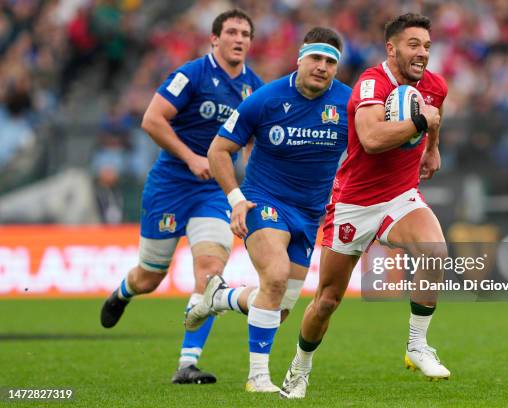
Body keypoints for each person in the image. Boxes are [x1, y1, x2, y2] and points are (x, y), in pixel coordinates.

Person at [280, 13, 449, 399]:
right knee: (326, 301)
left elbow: (434, 115)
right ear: (391, 49)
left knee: (435, 250)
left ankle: (417, 345)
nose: (422, 53)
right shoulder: (371, 82)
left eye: (426, 46)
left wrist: (433, 149)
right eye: (413, 45)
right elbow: (372, 139)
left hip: (401, 196)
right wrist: (423, 124)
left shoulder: (435, 86)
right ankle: (300, 367)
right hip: (354, 204)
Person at [99, 9, 264, 385]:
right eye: (232, 32)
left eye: (245, 34)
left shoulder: (254, 87)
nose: (239, 39)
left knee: (209, 275)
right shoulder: (192, 74)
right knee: (149, 278)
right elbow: (152, 119)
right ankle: (123, 293)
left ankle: (186, 364)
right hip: (171, 185)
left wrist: (248, 187)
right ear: (215, 39)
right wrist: (190, 157)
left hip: (213, 190)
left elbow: (254, 142)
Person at [187, 27, 351, 392]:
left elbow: (368, 149)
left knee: (279, 309)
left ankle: (221, 297)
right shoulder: (265, 99)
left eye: (330, 61)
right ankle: (257, 377)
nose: (322, 67)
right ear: (301, 59)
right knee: (274, 277)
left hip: (309, 215)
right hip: (266, 201)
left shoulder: (349, 104)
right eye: (316, 58)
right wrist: (236, 200)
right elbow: (218, 151)